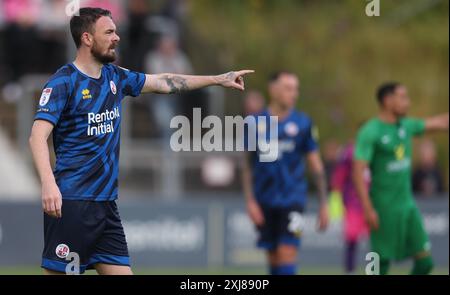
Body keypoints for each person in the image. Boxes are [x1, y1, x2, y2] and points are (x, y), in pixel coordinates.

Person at [29, 7, 253, 275]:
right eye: (109, 32)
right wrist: (48, 185)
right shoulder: (63, 82)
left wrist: (217, 79)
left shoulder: (115, 77)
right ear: (87, 38)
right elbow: (37, 137)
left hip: (106, 206)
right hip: (74, 203)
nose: (117, 37)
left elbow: (164, 82)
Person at [353, 82, 448, 275]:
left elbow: (440, 122)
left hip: (407, 206)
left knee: (425, 262)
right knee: (379, 264)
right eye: (403, 97)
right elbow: (357, 172)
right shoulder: (371, 131)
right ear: (388, 101)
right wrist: (368, 208)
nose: (408, 102)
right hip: (383, 207)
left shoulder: (406, 126)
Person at [242, 71, 329, 275]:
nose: (294, 94)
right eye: (288, 88)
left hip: (293, 198)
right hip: (265, 199)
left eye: (296, 89)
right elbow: (247, 166)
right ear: (273, 90)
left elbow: (316, 165)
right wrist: (250, 201)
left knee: (287, 252)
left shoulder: (303, 123)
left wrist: (324, 204)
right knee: (273, 256)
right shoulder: (254, 123)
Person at [331, 142, 369, 274]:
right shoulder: (350, 152)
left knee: (378, 241)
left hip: (374, 202)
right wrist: (335, 202)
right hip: (354, 203)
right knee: (352, 238)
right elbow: (338, 178)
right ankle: (350, 270)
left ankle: (376, 270)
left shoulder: (379, 148)